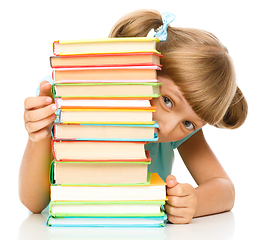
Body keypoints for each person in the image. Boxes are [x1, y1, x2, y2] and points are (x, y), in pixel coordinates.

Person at [19, 9, 248, 224]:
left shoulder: (178, 133)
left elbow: (225, 189)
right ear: (146, 70)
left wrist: (194, 203)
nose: (167, 128)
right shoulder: (74, 102)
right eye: (167, 101)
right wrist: (37, 137)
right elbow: (35, 204)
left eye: (188, 123)